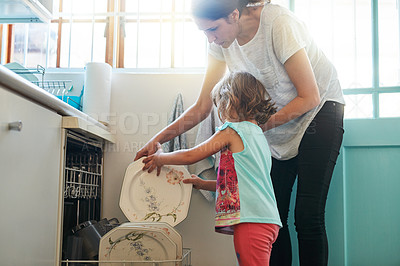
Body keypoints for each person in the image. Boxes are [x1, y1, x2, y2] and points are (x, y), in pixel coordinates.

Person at [135, 0, 345, 265]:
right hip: (272, 124)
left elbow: (309, 97)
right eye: (204, 33)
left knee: (307, 215)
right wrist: (156, 140)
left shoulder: (278, 24)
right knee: (275, 216)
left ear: (234, 14)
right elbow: (202, 106)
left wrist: (252, 129)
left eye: (213, 29)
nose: (210, 38)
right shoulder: (219, 43)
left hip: (319, 112)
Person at [142, 71, 282, 265]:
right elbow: (239, 183)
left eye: (219, 106)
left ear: (229, 101)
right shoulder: (258, 135)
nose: (220, 114)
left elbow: (193, 154)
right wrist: (203, 183)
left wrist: (161, 158)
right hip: (267, 220)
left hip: (251, 221)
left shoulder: (232, 131)